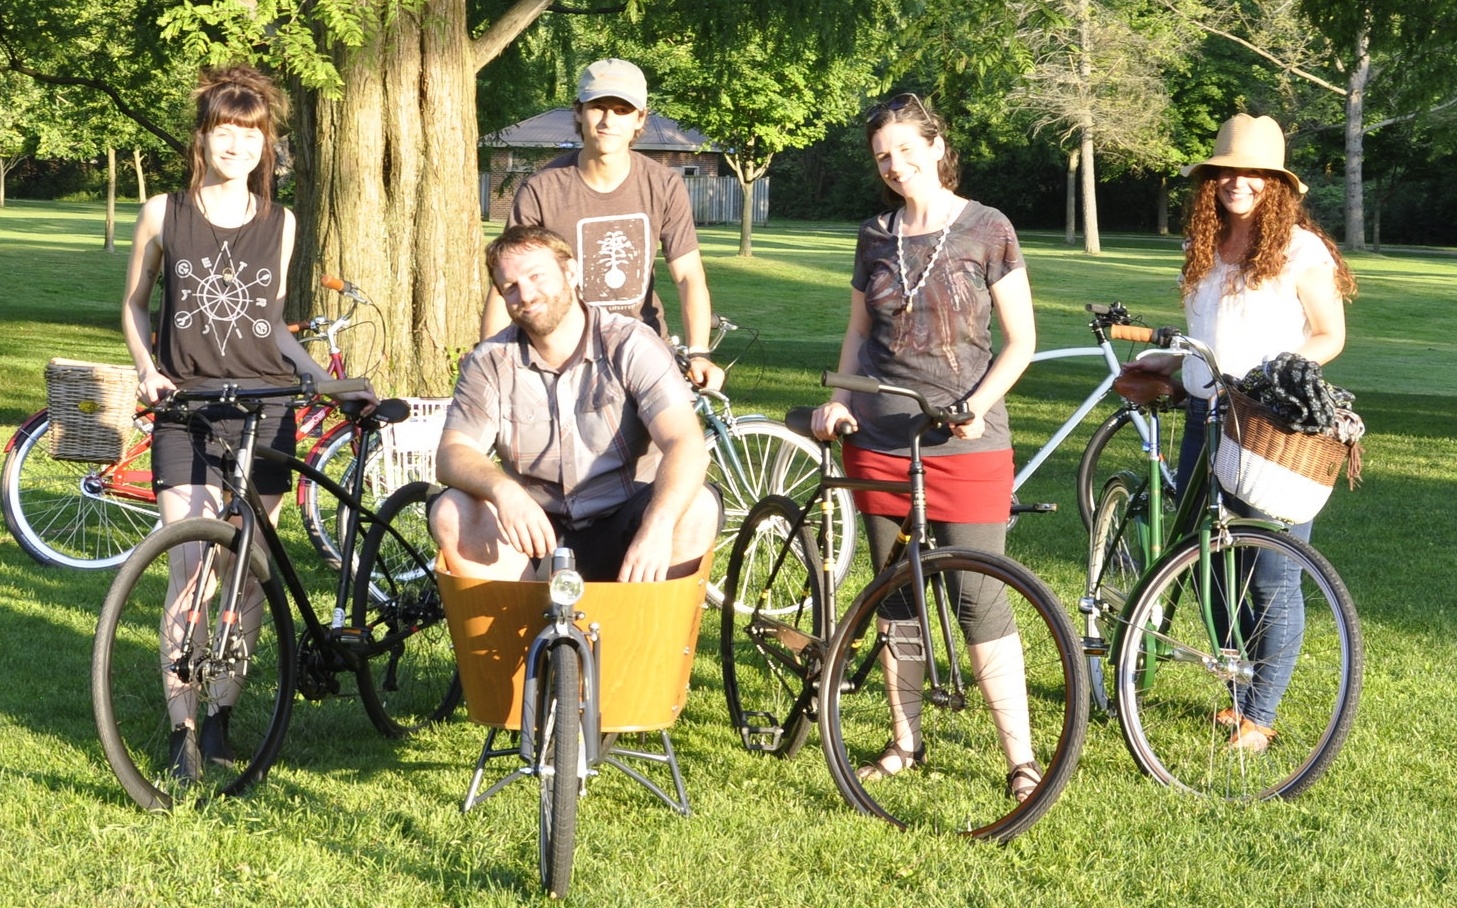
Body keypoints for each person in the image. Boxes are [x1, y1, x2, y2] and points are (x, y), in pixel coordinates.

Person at [120, 64, 374, 782]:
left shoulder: (280, 221)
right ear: (203, 138)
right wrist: (147, 367)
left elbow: (267, 322)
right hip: (188, 410)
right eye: (224, 131)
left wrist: (320, 380)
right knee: (188, 565)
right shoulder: (162, 213)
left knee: (246, 571)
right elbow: (136, 304)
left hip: (265, 407)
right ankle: (182, 729)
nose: (237, 144)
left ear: (266, 144)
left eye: (250, 133)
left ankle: (225, 712)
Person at [809, 93, 1042, 801]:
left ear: (938, 148)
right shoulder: (873, 233)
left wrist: (975, 405)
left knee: (979, 596)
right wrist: (839, 401)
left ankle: (1021, 758)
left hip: (965, 441)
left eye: (908, 151)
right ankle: (904, 740)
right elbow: (857, 334)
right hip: (878, 439)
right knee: (895, 594)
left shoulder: (986, 227)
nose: (897, 166)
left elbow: (1021, 341)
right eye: (884, 157)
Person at [1130, 112, 1355, 753]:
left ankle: (1258, 715)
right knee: (1208, 564)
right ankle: (1242, 687)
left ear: (1275, 183)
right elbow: (1209, 344)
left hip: (1267, 425)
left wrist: (1266, 379)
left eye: (1253, 172)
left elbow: (1328, 336)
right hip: (1207, 419)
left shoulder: (1298, 250)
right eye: (1227, 170)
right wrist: (1165, 367)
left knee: (1272, 574)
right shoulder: (1205, 247)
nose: (1238, 181)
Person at [433, 225, 721, 585]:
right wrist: (502, 490)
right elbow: (452, 453)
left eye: (536, 276)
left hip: (628, 519)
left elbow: (686, 443)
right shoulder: (489, 361)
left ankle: (653, 634)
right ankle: (516, 633)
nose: (526, 294)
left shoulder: (630, 343)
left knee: (695, 507)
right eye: (510, 288)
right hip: (536, 530)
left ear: (571, 271)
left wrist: (658, 525)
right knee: (452, 510)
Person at [479, 58, 725, 391]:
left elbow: (688, 276)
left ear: (640, 119)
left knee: (668, 440)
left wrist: (699, 352)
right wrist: (491, 355)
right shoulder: (541, 189)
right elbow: (507, 283)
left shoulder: (664, 185)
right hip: (564, 358)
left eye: (622, 110)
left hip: (644, 354)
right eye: (598, 107)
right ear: (579, 111)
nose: (609, 120)